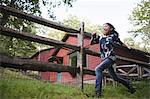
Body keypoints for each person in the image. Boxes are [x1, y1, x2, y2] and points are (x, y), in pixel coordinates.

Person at [90, 23, 136, 97]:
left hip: (110, 57)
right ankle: (129, 85)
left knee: (98, 69)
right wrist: (93, 36)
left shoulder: (113, 36)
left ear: (110, 29)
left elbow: (120, 42)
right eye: (103, 26)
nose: (103, 28)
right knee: (115, 78)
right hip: (104, 59)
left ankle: (97, 93)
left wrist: (128, 46)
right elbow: (91, 43)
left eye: (106, 26)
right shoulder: (101, 38)